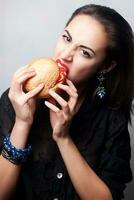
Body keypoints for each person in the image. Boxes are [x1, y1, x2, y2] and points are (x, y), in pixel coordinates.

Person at [0, 3, 134, 200]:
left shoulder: (111, 118)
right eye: (66, 38)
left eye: (84, 52)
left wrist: (63, 138)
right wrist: (22, 123)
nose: (65, 55)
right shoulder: (17, 100)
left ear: (105, 66)